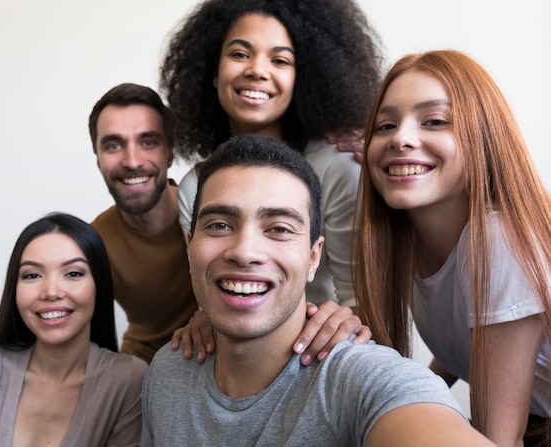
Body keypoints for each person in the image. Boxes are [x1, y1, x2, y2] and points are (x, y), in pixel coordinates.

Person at [0, 83, 368, 379]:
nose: (132, 160)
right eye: (112, 144)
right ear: (97, 156)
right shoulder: (93, 240)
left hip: (236, 355)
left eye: (147, 141)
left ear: (170, 149)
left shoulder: (219, 213)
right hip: (148, 369)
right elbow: (46, 293)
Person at [141, 134, 494, 446]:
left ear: (313, 258)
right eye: (219, 225)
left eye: (278, 228)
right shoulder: (167, 372)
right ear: (190, 248)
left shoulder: (364, 382)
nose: (245, 251)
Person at [354, 50, 551, 446]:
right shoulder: (405, 246)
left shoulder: (500, 241)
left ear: (484, 138)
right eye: (385, 125)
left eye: (435, 121)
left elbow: (499, 440)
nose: (401, 138)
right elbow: (467, 338)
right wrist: (421, 392)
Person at [160, 0, 383, 309]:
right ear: (213, 72)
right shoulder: (194, 188)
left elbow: (360, 300)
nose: (257, 70)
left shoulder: (337, 166)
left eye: (280, 60)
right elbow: (211, 297)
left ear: (301, 80)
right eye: (240, 54)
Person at [0, 213, 148, 446]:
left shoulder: (128, 381)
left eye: (73, 273)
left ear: (99, 284)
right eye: (32, 275)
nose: (51, 291)